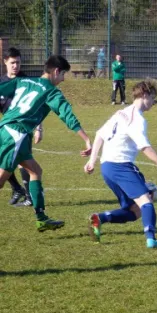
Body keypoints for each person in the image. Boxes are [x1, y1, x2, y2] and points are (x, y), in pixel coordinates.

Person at [0, 55, 92, 231]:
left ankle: (41, 218)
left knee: (35, 171)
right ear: (56, 71)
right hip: (16, 135)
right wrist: (86, 139)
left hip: (7, 129)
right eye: (63, 74)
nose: (63, 79)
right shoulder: (51, 90)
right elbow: (66, 114)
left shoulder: (24, 81)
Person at [84, 79, 157, 248]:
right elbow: (144, 147)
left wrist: (92, 160)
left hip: (107, 168)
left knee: (134, 211)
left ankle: (99, 218)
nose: (153, 102)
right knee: (148, 199)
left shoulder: (121, 113)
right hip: (121, 166)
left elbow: (100, 134)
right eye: (153, 98)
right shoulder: (137, 119)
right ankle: (151, 239)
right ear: (145, 95)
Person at [1, 47, 43, 207]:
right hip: (7, 129)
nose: (15, 66)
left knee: (21, 162)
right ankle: (18, 189)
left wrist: (39, 128)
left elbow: (37, 106)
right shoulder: (2, 82)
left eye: (18, 62)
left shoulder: (27, 82)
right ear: (5, 62)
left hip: (23, 129)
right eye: (12, 63)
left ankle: (29, 197)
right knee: (10, 161)